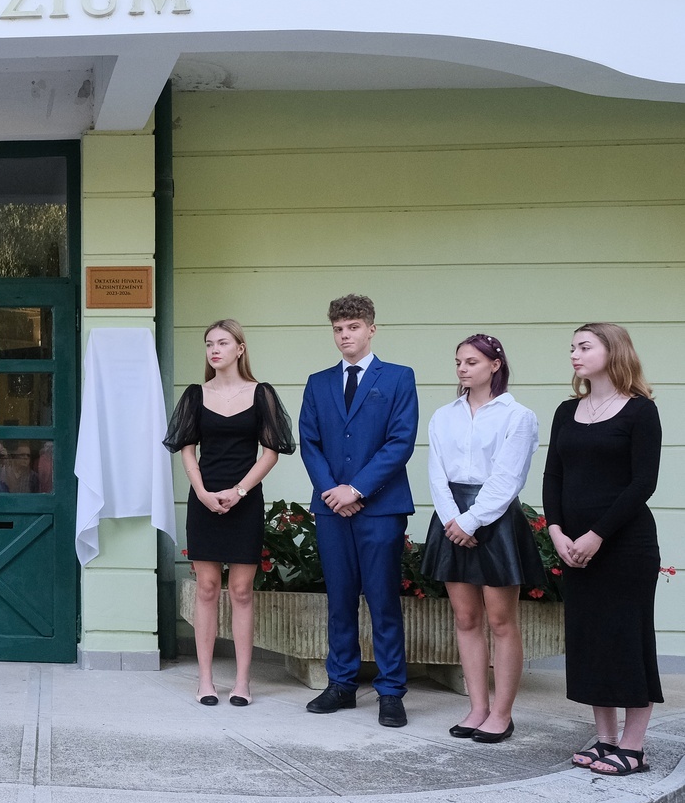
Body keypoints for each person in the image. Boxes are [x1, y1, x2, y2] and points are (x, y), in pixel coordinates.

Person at [544, 323, 663, 777]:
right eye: (572, 347)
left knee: (627, 639)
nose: (574, 354)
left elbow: (643, 483)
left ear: (613, 352)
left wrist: (596, 535)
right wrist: (556, 531)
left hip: (625, 546)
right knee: (591, 639)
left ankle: (634, 747)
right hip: (574, 546)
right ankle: (606, 738)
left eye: (584, 346)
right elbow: (553, 475)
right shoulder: (566, 410)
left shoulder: (641, 411)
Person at [297, 294, 419, 727]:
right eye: (338, 329)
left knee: (383, 600)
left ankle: (391, 691)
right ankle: (342, 684)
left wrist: (357, 489)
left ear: (371, 329)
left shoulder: (399, 377)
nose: (345, 335)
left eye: (353, 327)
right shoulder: (318, 382)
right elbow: (309, 442)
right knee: (340, 599)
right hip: (332, 509)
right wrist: (334, 491)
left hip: (380, 508)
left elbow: (400, 442)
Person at [165, 319, 295, 707]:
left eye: (222, 343)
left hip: (244, 500)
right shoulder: (195, 395)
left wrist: (239, 492)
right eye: (209, 344)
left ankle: (242, 682)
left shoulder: (261, 394)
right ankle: (205, 681)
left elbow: (270, 453)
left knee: (240, 591)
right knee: (206, 588)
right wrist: (202, 492)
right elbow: (187, 450)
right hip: (204, 500)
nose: (214, 350)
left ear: (240, 348)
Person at [421, 334, 542, 743]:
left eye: (471, 362)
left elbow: (509, 476)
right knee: (466, 618)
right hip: (451, 518)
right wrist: (453, 521)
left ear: (495, 364)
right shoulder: (443, 416)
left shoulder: (517, 416)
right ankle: (477, 707)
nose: (462, 368)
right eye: (458, 362)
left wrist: (472, 522)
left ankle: (502, 714)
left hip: (495, 519)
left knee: (501, 621)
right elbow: (436, 472)